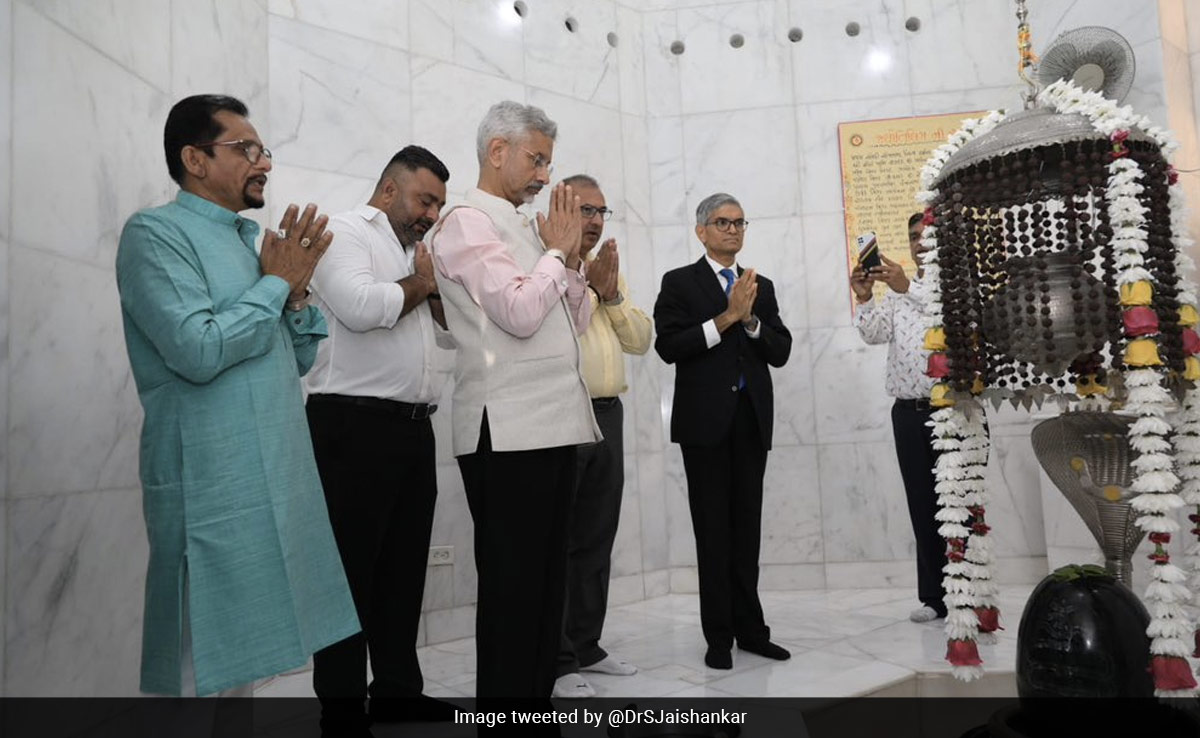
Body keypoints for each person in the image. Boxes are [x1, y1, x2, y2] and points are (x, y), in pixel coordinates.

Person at [115, 94, 359, 699]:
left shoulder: (253, 246)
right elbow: (197, 351)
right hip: (209, 482)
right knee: (201, 667)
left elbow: (296, 358)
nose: (263, 163)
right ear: (195, 160)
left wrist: (295, 294)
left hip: (269, 476)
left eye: (263, 149)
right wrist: (276, 282)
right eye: (244, 149)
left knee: (241, 671)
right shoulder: (155, 234)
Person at [427, 101, 601, 706]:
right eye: (536, 159)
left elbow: (573, 322)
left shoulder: (529, 228)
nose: (544, 176)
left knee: (546, 588)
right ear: (497, 151)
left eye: (548, 162)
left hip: (550, 425)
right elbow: (521, 314)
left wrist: (570, 259)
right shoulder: (466, 222)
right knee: (513, 591)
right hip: (503, 432)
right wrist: (556, 255)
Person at [303, 146, 455, 734]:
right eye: (425, 199)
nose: (431, 213)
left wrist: (432, 289)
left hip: (413, 429)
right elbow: (362, 307)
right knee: (347, 574)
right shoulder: (344, 231)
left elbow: (443, 341)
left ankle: (396, 690)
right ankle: (340, 708)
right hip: (351, 427)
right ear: (389, 190)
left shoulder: (415, 253)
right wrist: (421, 281)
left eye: (439, 204)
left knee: (402, 570)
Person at [653, 192, 792, 670]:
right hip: (704, 428)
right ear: (701, 231)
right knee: (712, 533)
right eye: (722, 222)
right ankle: (718, 638)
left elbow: (780, 350)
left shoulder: (760, 285)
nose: (733, 230)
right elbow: (668, 346)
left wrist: (750, 319)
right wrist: (727, 317)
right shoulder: (680, 283)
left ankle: (752, 631)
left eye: (739, 222)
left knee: (746, 533)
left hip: (750, 423)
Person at [552, 175, 652, 699]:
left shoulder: (606, 271)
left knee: (596, 535)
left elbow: (640, 339)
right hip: (562, 415)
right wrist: (570, 272)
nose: (593, 221)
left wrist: (609, 293)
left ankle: (587, 644)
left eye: (600, 212)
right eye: (584, 209)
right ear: (560, 209)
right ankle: (558, 658)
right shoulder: (543, 262)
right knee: (560, 538)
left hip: (608, 413)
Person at [852, 212, 949, 623]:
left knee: (959, 505)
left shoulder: (955, 286)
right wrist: (865, 296)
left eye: (926, 236)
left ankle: (972, 593)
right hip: (907, 414)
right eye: (913, 237)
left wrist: (907, 287)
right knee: (922, 505)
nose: (919, 243)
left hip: (952, 415)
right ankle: (934, 598)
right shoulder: (895, 293)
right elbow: (873, 334)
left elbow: (954, 322)